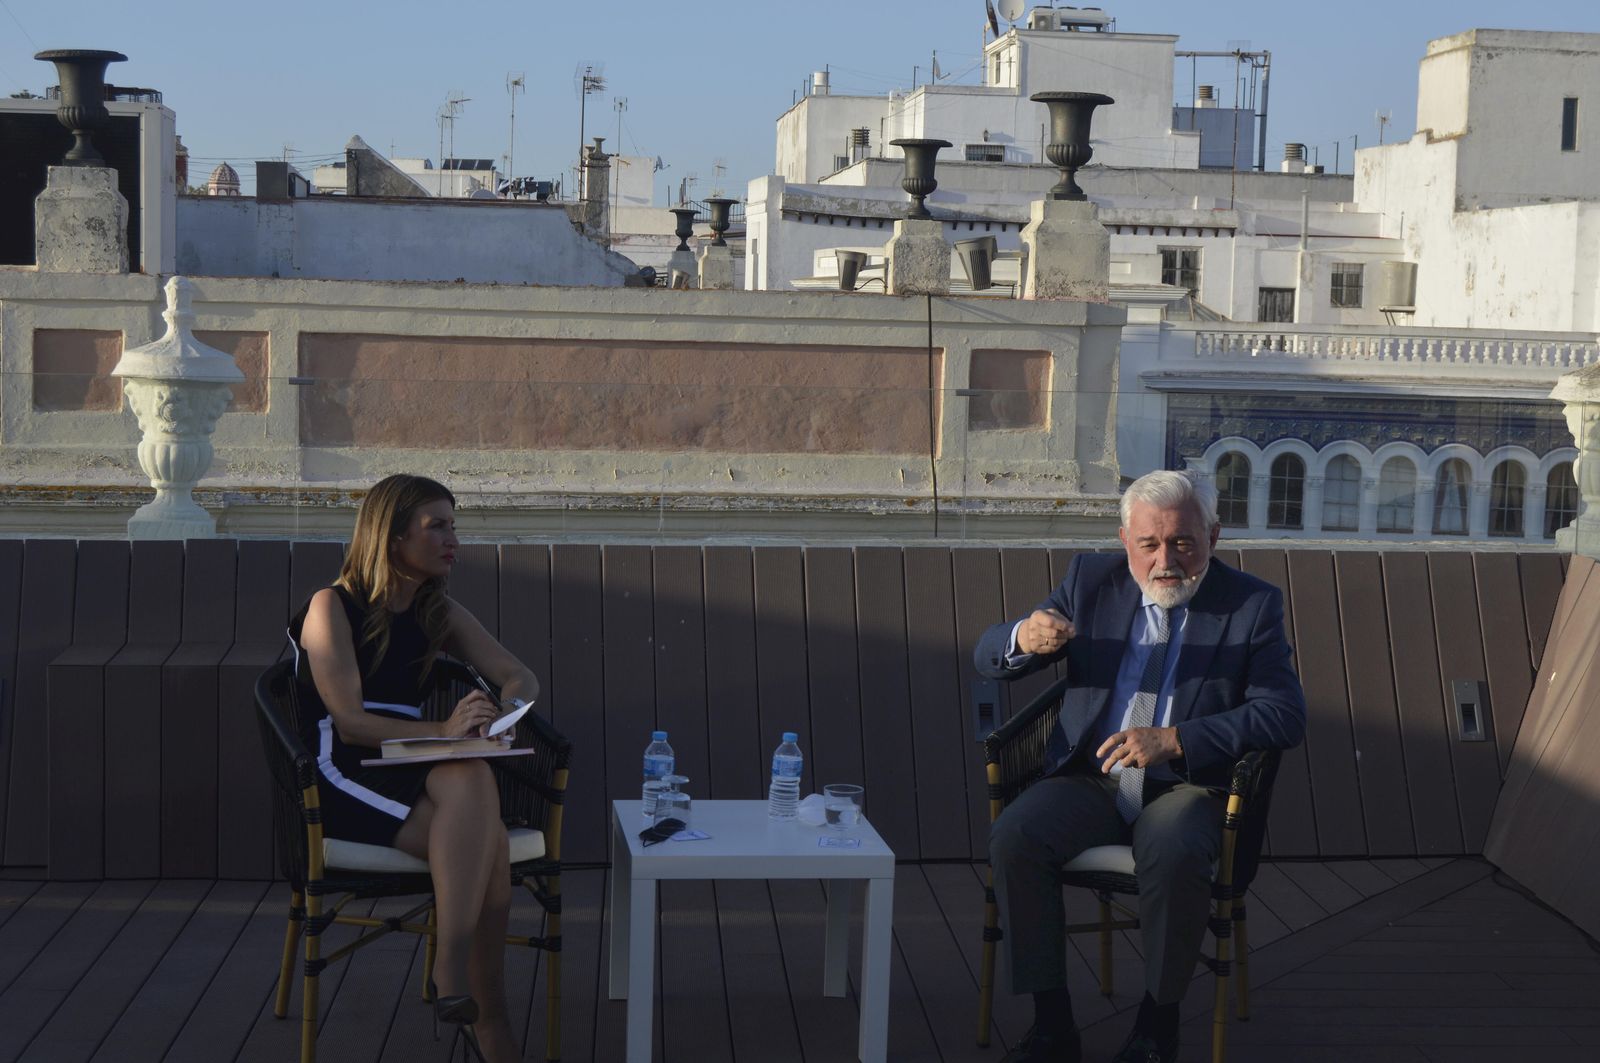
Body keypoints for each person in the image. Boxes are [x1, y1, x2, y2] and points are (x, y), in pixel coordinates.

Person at [975, 469, 1306, 1063]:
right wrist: (1024, 636)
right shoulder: (1091, 580)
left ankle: (1158, 1025)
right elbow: (990, 656)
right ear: (1124, 538)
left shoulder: (1252, 604)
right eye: (1149, 544)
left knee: (1174, 849)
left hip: (1188, 786)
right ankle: (1053, 1026)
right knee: (1015, 836)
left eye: (1182, 542)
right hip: (1093, 779)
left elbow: (1284, 715)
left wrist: (1177, 739)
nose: (1165, 561)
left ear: (1214, 536)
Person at [290, 474, 538, 1063]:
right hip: (344, 770)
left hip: (416, 758)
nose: (454, 539)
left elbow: (520, 676)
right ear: (393, 536)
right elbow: (349, 721)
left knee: (473, 773)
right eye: (438, 526)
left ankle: (459, 985)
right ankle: (480, 1007)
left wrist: (497, 718)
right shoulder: (333, 606)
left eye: (454, 525)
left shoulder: (437, 610)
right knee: (492, 849)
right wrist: (445, 732)